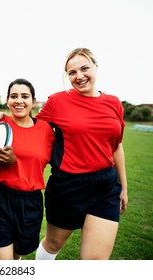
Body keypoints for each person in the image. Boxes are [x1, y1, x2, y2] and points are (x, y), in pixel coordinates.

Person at [35, 48, 128, 260]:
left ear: (96, 66)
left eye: (85, 68)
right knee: (53, 244)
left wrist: (123, 187)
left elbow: (117, 147)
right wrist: (3, 116)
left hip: (106, 186)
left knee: (95, 261)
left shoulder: (114, 103)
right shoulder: (57, 102)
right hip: (68, 186)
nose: (79, 76)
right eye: (72, 72)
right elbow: (30, 128)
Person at [0, 78, 55, 260]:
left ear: (33, 101)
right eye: (14, 96)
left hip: (30, 203)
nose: (19, 100)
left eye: (25, 96)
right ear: (7, 100)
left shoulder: (46, 130)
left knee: (16, 257)